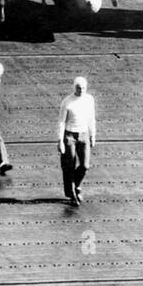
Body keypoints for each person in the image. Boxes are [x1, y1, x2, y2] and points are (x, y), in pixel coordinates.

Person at [57, 77, 97, 206]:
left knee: (85, 165)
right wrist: (60, 141)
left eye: (83, 88)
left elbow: (92, 118)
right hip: (70, 136)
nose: (81, 90)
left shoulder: (89, 99)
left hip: (84, 134)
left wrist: (93, 135)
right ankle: (72, 194)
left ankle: (76, 185)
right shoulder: (67, 102)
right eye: (78, 88)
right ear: (74, 88)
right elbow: (61, 122)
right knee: (70, 165)